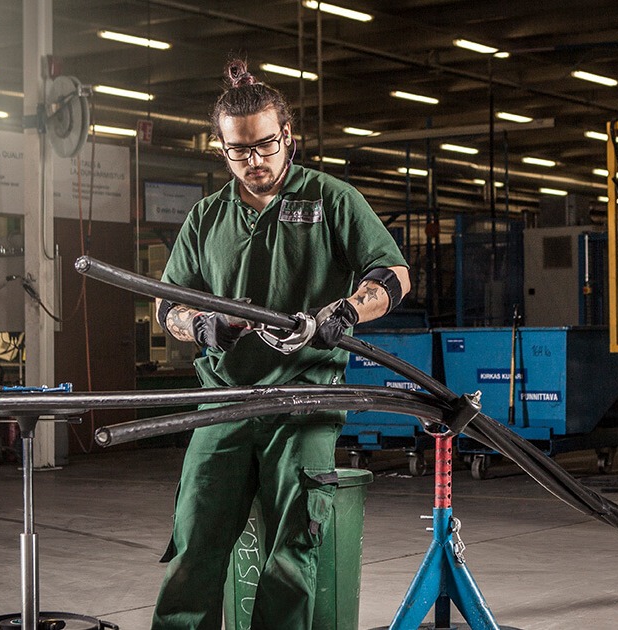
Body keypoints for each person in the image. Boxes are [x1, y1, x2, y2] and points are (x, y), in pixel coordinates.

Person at [151, 59, 410, 630]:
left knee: (294, 547)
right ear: (221, 149)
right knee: (193, 542)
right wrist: (200, 327)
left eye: (266, 145)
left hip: (304, 400)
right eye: (238, 150)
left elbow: (393, 275)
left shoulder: (331, 199)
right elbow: (166, 304)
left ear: (288, 136)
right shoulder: (205, 218)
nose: (255, 160)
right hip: (225, 402)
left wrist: (343, 312)